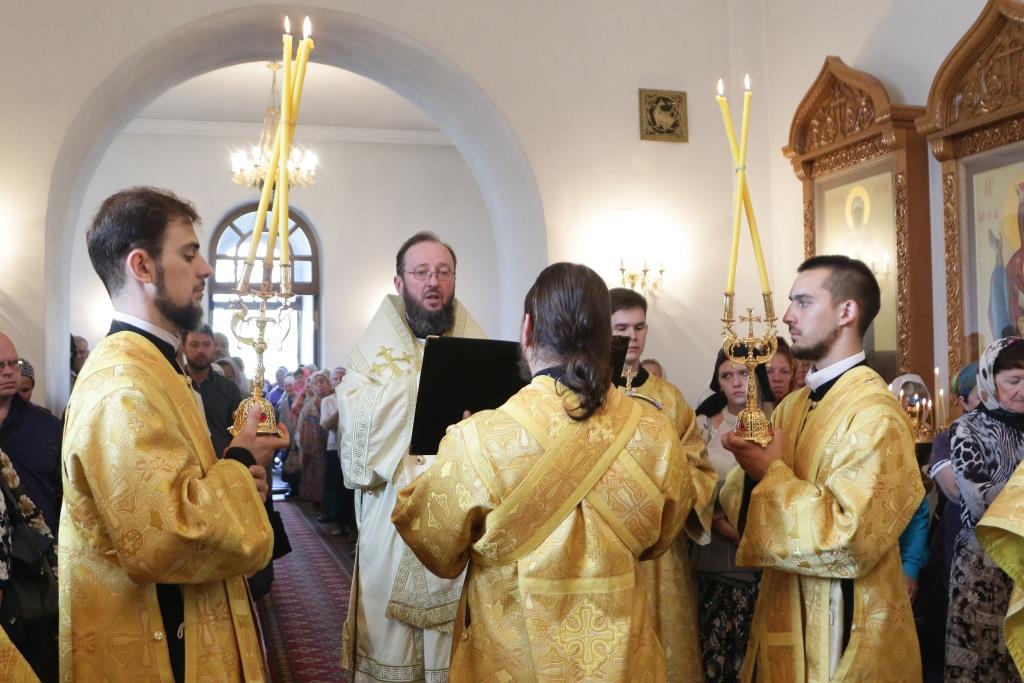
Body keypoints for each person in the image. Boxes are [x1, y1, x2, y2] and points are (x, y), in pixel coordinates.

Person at [392, 262, 698, 679]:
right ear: (608, 338)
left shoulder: (480, 439)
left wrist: (452, 458)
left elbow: (435, 545)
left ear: (528, 330)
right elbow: (661, 537)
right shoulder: (655, 433)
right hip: (622, 663)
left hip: (513, 662)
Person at [61, 187, 289, 680]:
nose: (205, 269)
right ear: (142, 266)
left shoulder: (156, 364)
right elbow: (166, 537)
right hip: (155, 638)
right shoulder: (123, 384)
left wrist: (235, 471)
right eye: (188, 254)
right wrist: (241, 460)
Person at [721, 254, 923, 681]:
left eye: (803, 302)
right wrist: (748, 469)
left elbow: (852, 539)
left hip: (843, 626)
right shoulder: (791, 406)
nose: (788, 317)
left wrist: (770, 474)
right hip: (783, 608)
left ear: (847, 311)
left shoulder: (876, 415)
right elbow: (744, 510)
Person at [337, 231, 485, 681]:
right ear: (399, 283)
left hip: (462, 524)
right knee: (393, 646)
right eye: (421, 272)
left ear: (454, 280)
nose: (433, 282)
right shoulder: (371, 355)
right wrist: (422, 385)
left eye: (443, 272)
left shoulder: (477, 345)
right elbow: (355, 432)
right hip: (392, 525)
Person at [608, 287, 717, 681]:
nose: (632, 337)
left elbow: (698, 465)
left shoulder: (669, 399)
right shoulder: (590, 395)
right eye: (621, 328)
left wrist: (664, 495)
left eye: (639, 327)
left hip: (661, 547)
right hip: (607, 544)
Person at [943, 338, 1024, 681]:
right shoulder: (968, 428)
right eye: (1014, 380)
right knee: (982, 664)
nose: (1023, 389)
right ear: (990, 380)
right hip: (984, 568)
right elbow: (979, 499)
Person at [692, 348, 772, 681]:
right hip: (720, 559)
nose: (737, 383)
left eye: (744, 374)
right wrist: (734, 532)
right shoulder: (704, 426)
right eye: (727, 376)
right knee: (720, 657)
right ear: (719, 383)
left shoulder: (778, 419)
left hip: (770, 559)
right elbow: (696, 489)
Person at [0, 335, 61, 681]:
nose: (9, 371)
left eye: (14, 364)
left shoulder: (46, 427)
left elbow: (66, 500)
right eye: (0, 366)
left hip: (35, 577)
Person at [918, 363, 978, 683]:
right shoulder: (948, 438)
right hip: (960, 556)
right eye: (979, 394)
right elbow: (956, 491)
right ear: (963, 401)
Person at [184, 324, 244, 458]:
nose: (200, 350)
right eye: (194, 345)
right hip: (186, 462)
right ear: (183, 348)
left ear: (212, 348)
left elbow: (239, 432)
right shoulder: (174, 383)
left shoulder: (229, 388)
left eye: (206, 344)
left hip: (222, 462)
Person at [319, 367, 354, 539]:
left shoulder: (355, 398)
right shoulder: (328, 401)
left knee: (351, 488)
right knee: (337, 487)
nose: (339, 381)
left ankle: (352, 526)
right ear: (331, 382)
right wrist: (342, 409)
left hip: (352, 447)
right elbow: (326, 425)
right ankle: (340, 523)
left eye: (342, 378)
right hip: (334, 447)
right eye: (336, 378)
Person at [299, 371, 330, 503]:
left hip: (331, 447)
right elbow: (300, 429)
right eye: (315, 383)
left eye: (322, 382)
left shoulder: (334, 402)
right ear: (311, 387)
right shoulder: (308, 406)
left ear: (329, 384)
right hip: (313, 449)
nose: (319, 386)